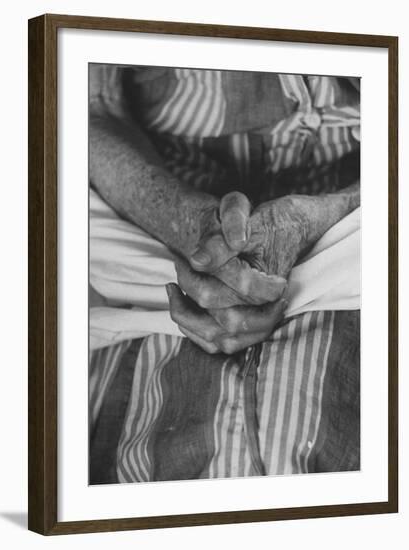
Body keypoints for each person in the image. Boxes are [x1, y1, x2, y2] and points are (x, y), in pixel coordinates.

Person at [88, 64, 361, 483]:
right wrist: (190, 226)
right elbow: (91, 107)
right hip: (148, 206)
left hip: (364, 212)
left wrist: (337, 211)